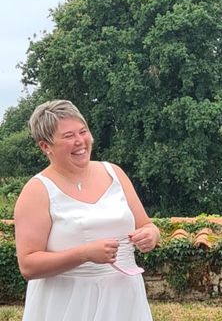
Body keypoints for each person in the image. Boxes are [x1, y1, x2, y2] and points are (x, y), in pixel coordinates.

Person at [14, 99, 160, 320]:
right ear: (46, 146)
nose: (80, 141)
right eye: (68, 136)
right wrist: (84, 254)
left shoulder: (115, 173)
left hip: (124, 299)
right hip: (69, 303)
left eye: (83, 131)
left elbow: (146, 225)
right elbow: (28, 265)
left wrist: (151, 235)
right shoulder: (37, 191)